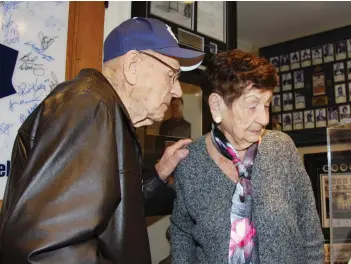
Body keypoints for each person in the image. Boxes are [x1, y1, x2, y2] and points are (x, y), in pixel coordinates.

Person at [0, 17, 204, 263]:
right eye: (172, 75)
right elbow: (48, 249)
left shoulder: (106, 112)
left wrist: (159, 174)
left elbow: (110, 214)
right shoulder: (90, 108)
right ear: (132, 66)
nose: (177, 90)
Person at [170, 50, 324, 264]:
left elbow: (310, 228)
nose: (264, 118)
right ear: (216, 106)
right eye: (252, 106)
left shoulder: (281, 148)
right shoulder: (190, 162)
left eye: (267, 105)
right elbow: (182, 232)